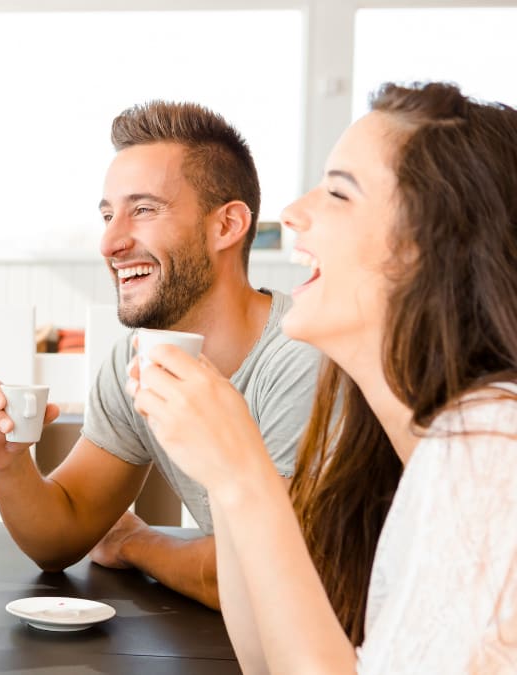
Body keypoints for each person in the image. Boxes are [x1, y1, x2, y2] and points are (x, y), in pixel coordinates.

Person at [131, 82, 517, 672]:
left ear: (433, 246)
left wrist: (244, 475)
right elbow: (265, 660)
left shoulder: (493, 450)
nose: (291, 212)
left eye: (339, 191)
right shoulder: (402, 446)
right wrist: (227, 471)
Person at [0, 101, 322, 609]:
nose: (110, 241)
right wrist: (9, 466)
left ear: (227, 225)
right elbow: (61, 537)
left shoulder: (302, 359)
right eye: (107, 215)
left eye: (143, 209)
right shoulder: (139, 358)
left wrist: (136, 543)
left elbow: (271, 578)